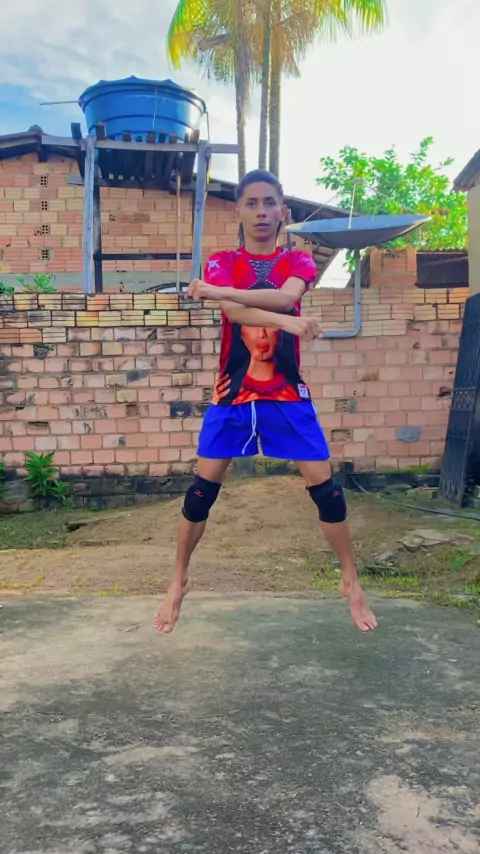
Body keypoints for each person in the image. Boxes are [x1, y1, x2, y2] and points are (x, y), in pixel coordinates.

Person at [155, 169, 378, 635]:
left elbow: (285, 297)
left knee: (328, 494)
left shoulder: (298, 259)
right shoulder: (222, 261)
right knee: (200, 495)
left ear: (283, 211)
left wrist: (219, 292)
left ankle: (350, 580)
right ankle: (178, 580)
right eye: (252, 203)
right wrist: (288, 322)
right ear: (239, 210)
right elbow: (235, 312)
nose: (261, 212)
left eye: (269, 202)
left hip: (287, 395)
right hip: (232, 395)